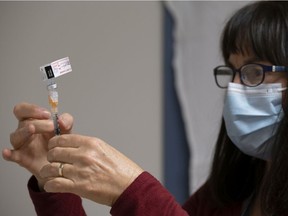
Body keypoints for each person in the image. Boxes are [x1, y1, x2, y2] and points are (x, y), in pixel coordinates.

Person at [3, 1, 288, 215]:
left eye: (254, 72)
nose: (234, 88)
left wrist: (132, 191)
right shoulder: (229, 193)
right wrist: (54, 181)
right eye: (232, 71)